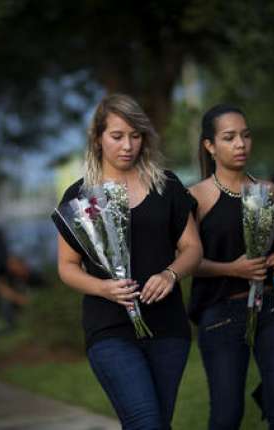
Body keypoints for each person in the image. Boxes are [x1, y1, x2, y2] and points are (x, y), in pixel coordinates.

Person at [53, 94, 202, 429]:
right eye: (117, 136)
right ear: (97, 138)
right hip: (109, 329)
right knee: (146, 422)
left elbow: (193, 248)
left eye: (136, 136)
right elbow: (66, 266)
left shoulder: (167, 185)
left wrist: (170, 274)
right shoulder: (79, 198)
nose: (128, 145)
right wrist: (103, 288)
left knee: (157, 424)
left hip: (168, 328)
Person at [188, 104, 274, 430]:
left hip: (273, 309)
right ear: (209, 146)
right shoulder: (196, 197)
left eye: (246, 135)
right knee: (227, 415)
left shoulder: (267, 190)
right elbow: (186, 262)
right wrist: (231, 269)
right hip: (222, 314)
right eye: (229, 137)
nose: (241, 144)